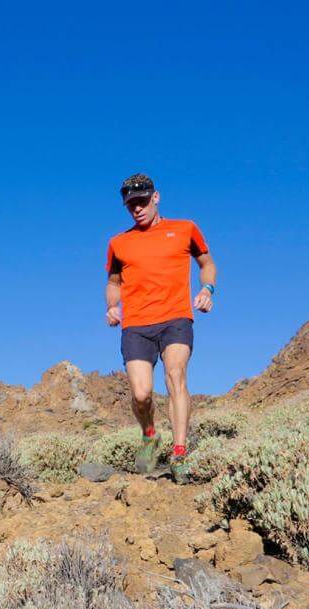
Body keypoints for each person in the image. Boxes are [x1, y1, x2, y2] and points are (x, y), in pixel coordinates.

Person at [105, 173, 217, 481]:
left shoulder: (184, 229)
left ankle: (179, 453)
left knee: (175, 376)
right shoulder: (119, 243)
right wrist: (112, 306)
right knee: (141, 395)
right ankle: (150, 434)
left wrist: (207, 290)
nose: (137, 209)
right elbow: (113, 282)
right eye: (131, 206)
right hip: (137, 324)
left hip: (175, 318)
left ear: (156, 197)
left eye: (142, 202)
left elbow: (207, 263)